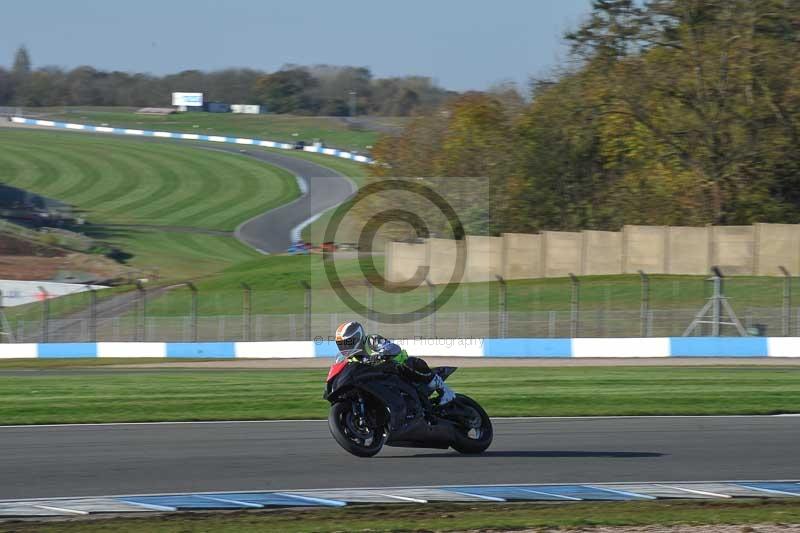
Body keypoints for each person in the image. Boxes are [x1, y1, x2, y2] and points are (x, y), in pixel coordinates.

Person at [334, 321, 455, 405]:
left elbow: (393, 347)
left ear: (358, 337)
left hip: (398, 370)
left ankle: (444, 389)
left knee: (409, 363)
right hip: (379, 381)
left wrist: (381, 353)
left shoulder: (372, 340)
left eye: (348, 342)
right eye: (342, 344)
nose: (345, 347)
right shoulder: (347, 359)